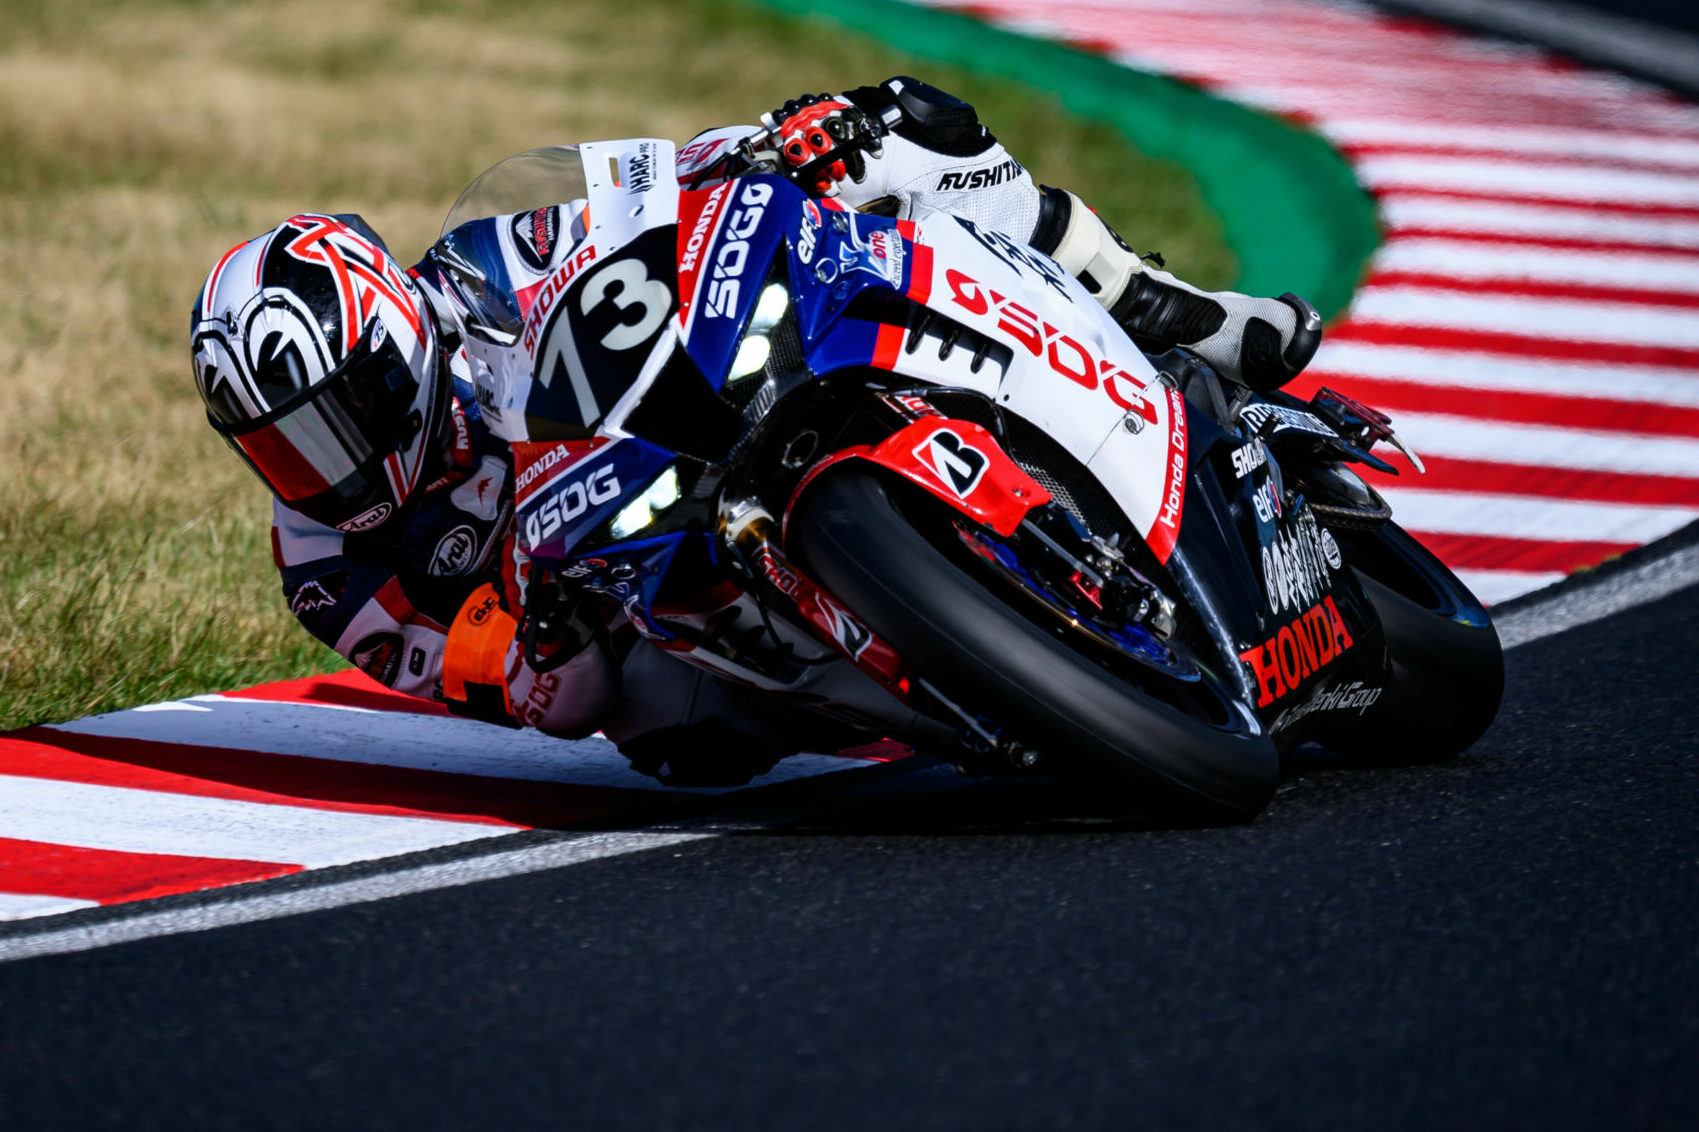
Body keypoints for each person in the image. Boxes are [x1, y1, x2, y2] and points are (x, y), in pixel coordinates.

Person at [188, 76, 1322, 784]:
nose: (324, 467)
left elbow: (645, 192)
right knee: (677, 729)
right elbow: (535, 699)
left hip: (703, 413)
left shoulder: (484, 270)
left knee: (904, 146)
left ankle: (1182, 317)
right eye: (284, 447)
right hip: (634, 612)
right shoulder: (328, 568)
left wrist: (772, 144)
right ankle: (980, 691)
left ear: (396, 339)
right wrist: (547, 628)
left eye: (338, 423)